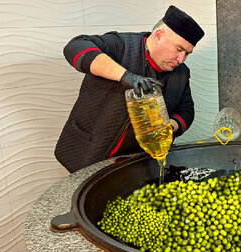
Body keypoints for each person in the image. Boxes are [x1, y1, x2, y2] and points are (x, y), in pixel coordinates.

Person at [55, 6, 204, 173]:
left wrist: (170, 126)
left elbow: (187, 110)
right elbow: (75, 46)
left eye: (187, 54)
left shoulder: (181, 74)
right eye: (178, 49)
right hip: (89, 151)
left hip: (136, 161)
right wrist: (126, 76)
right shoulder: (122, 46)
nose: (181, 59)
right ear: (158, 36)